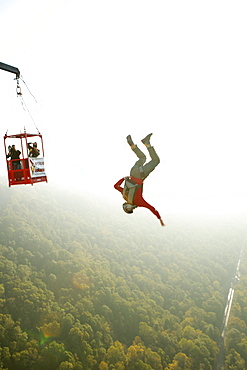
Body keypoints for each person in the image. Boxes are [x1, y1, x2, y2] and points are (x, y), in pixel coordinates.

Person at [114, 133, 165, 226]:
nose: (133, 209)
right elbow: (116, 186)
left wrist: (160, 218)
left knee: (156, 161)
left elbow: (152, 208)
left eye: (131, 209)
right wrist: (123, 179)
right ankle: (132, 145)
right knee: (142, 158)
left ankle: (146, 143)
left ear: (129, 208)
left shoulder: (138, 202)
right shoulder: (124, 195)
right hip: (133, 172)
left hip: (139, 174)